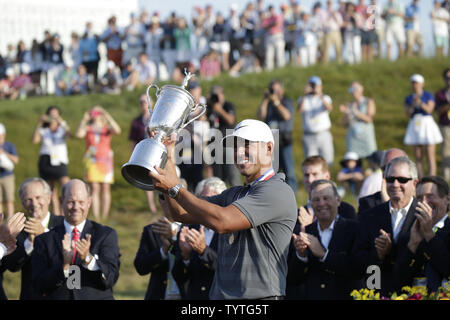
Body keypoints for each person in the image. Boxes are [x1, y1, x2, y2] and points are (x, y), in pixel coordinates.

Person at [149, 119, 297, 300]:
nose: (239, 152)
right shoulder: (233, 193)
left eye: (246, 144)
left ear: (268, 148)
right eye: (235, 147)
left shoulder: (278, 191)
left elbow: (223, 222)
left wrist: (174, 188)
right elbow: (179, 213)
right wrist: (169, 156)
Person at [31, 179, 120, 300]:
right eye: (71, 202)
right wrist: (64, 266)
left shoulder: (105, 235)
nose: (76, 207)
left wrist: (88, 259)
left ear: (89, 202)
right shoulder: (45, 240)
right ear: (61, 201)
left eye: (81, 202)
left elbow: (110, 278)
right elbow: (38, 284)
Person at [353, 156, 419, 296]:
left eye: (402, 180)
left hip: (416, 294)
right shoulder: (369, 216)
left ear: (415, 183)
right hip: (379, 293)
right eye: (390, 179)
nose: (395, 184)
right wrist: (378, 255)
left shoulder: (423, 215)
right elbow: (358, 262)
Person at [288, 180, 360, 300]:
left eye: (326, 198)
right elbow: (293, 280)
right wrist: (301, 256)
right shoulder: (305, 232)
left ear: (338, 200)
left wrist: (324, 254)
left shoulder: (354, 229)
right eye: (316, 200)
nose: (321, 203)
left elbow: (357, 269)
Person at [1, 178, 64, 299]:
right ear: (23, 203)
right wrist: (29, 243)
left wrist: (44, 235)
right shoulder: (19, 229)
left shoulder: (62, 224)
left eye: (38, 198)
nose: (34, 204)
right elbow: (12, 266)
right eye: (29, 200)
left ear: (48, 198)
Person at [171, 177, 226, 300]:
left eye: (215, 198)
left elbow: (229, 270)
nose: (209, 204)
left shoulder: (230, 231)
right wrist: (185, 256)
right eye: (205, 199)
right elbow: (178, 276)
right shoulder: (189, 228)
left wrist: (204, 251)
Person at [394, 176, 450, 292]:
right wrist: (412, 245)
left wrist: (430, 235)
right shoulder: (408, 233)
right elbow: (397, 282)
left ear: (447, 199)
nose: (424, 202)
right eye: (419, 198)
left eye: (430, 196)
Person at [134, 190, 184, 300]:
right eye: (162, 197)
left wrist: (175, 239)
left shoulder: (192, 229)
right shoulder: (152, 230)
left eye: (173, 196)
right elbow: (140, 267)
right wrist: (162, 251)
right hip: (159, 294)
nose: (167, 200)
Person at [76, 106, 121, 221]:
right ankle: (96, 216)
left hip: (105, 160)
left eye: (97, 112)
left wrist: (106, 114)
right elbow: (79, 134)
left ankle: (104, 216)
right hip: (91, 160)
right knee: (94, 187)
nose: (95, 115)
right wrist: (84, 119)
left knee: (105, 187)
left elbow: (118, 130)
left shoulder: (106, 128)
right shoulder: (88, 128)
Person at [257, 79, 298, 192]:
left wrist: (276, 102)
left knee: (288, 170)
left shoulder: (286, 101)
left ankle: (292, 194)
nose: (274, 92)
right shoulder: (268, 103)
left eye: (277, 89)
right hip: (271, 141)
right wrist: (265, 100)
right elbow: (261, 115)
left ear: (282, 90)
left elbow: (286, 116)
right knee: (272, 170)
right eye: (272, 90)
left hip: (284, 140)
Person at [32, 106, 71, 216]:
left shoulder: (62, 127)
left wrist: (61, 122)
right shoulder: (44, 129)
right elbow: (35, 140)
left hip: (60, 160)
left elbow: (70, 135)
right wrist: (39, 123)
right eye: (51, 115)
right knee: (50, 191)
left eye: (56, 115)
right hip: (46, 159)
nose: (53, 117)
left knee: (66, 187)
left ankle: (65, 213)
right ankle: (56, 214)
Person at [404, 74, 443, 177]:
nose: (415, 85)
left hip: (426, 124)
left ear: (422, 84)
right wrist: (413, 104)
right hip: (415, 124)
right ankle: (420, 178)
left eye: (417, 83)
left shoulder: (428, 95)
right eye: (413, 83)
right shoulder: (409, 98)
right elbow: (407, 113)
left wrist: (420, 103)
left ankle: (432, 177)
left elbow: (430, 109)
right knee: (418, 155)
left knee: (430, 154)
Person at [207, 86, 241, 187]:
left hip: (229, 145)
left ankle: (237, 200)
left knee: (233, 176)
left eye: (217, 95)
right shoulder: (210, 108)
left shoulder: (228, 105)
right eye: (214, 95)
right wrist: (207, 104)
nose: (216, 98)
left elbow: (231, 120)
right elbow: (202, 120)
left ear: (222, 94)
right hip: (215, 146)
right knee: (218, 180)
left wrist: (220, 110)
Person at [129, 94, 157, 214]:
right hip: (145, 153)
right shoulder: (136, 122)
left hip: (158, 151)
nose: (144, 104)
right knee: (148, 178)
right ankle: (152, 207)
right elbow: (133, 141)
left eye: (146, 101)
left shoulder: (158, 118)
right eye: (141, 102)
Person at [358, 148, 408, 215]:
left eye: (396, 167)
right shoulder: (367, 204)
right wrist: (386, 206)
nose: (390, 172)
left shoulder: (421, 200)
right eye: (386, 168)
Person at [297, 76, 334, 165]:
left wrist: (320, 95)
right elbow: (299, 110)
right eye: (311, 85)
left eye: (315, 85)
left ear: (320, 86)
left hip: (323, 134)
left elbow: (329, 107)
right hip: (309, 136)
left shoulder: (326, 98)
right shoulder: (303, 99)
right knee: (311, 163)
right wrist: (305, 95)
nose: (313, 88)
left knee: (327, 162)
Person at [340, 81, 377, 159]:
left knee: (372, 159)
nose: (353, 91)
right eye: (351, 89)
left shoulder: (368, 102)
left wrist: (355, 112)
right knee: (353, 162)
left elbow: (369, 119)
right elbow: (344, 124)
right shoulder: (349, 104)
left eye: (355, 88)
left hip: (366, 137)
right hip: (352, 138)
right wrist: (347, 114)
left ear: (362, 89)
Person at [0, 123, 18, 218]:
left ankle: (10, 220)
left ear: (3, 134)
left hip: (7, 176)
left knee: (9, 200)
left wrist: (4, 153)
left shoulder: (9, 146)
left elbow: (16, 160)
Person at [435, 68, 450, 181]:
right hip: (446, 125)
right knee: (446, 151)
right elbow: (438, 111)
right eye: (447, 78)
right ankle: (447, 177)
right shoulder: (440, 94)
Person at [262, 5, 286, 71]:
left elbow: (277, 23)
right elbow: (264, 27)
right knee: (269, 55)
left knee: (279, 54)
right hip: (269, 37)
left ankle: (281, 69)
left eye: (272, 10)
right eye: (269, 10)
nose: (271, 11)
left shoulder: (278, 16)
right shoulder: (267, 18)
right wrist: (271, 24)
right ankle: (269, 70)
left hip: (278, 36)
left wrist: (269, 25)